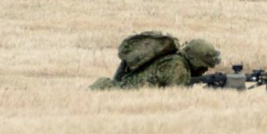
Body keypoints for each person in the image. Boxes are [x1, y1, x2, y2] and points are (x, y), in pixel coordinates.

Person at [90, 32, 221, 89]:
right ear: (195, 61)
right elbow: (175, 100)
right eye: (203, 67)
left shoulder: (173, 60)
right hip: (120, 95)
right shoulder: (178, 67)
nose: (204, 71)